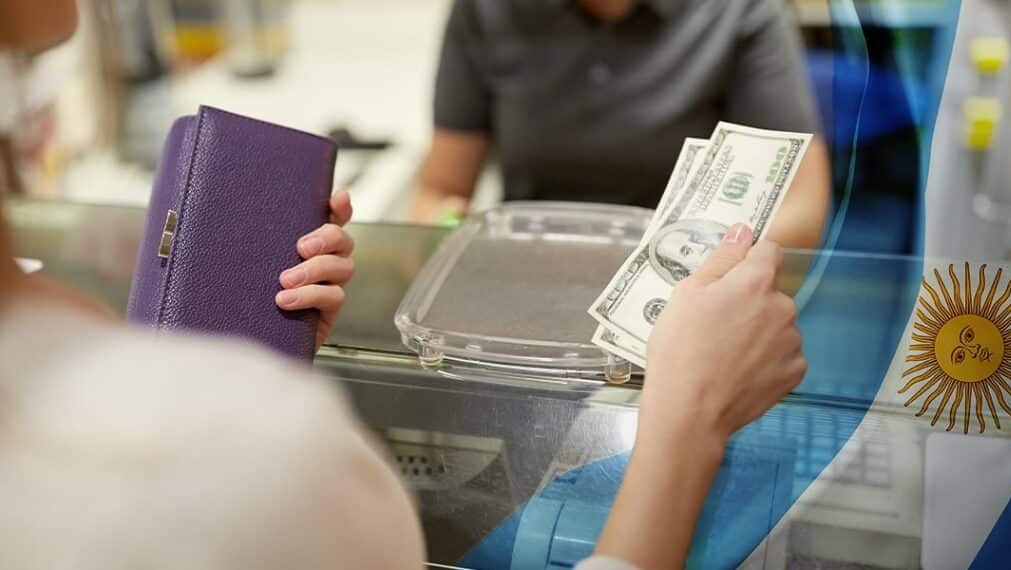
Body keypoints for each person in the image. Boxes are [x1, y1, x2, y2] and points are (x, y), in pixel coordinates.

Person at [0, 4, 805, 569]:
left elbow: (805, 196)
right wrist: (687, 420)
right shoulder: (249, 452)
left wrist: (244, 362)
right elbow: (442, 186)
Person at [412, 0, 831, 250]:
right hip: (527, 284)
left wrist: (705, 268)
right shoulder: (486, 10)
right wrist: (451, 235)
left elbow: (801, 206)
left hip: (686, 288)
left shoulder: (740, 10)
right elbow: (439, 193)